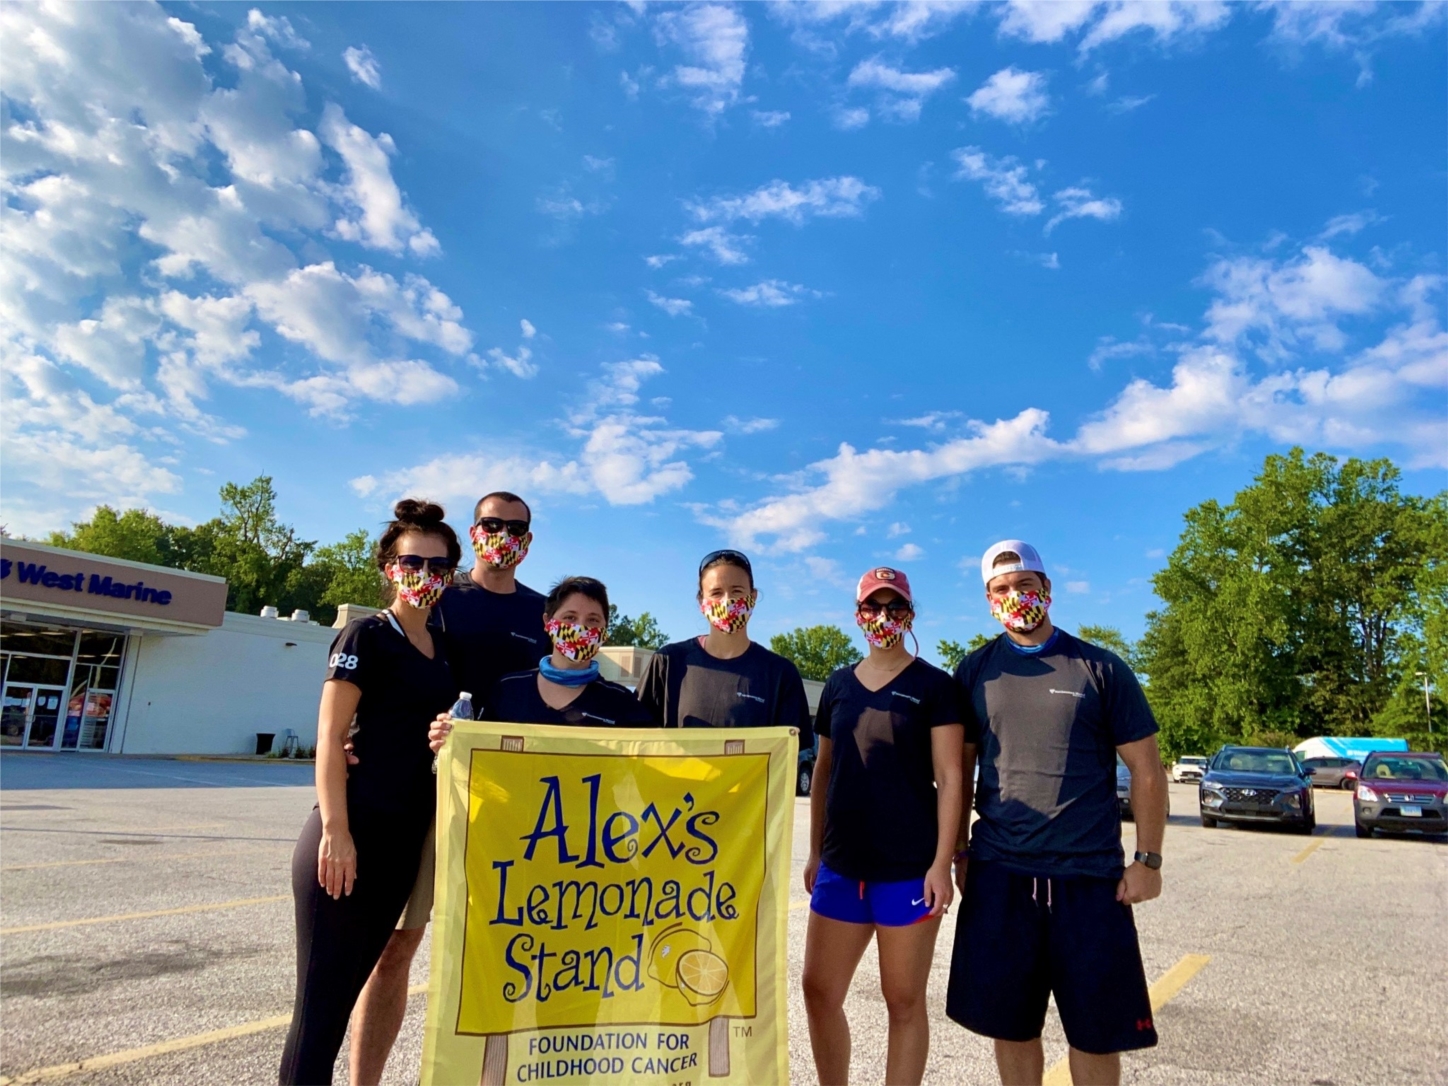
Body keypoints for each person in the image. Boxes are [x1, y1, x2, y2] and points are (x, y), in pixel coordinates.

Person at [945, 540, 1168, 1086]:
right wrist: (957, 851)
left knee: (1095, 1034)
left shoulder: (1101, 668)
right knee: (1012, 1028)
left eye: (1025, 585)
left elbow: (1147, 768)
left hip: (1089, 880)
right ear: (987, 599)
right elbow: (959, 773)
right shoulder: (973, 671)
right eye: (1002, 589)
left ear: (1047, 589)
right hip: (1001, 876)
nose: (1015, 596)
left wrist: (1148, 860)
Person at [348, 490, 546, 1085]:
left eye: (515, 527)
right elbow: (374, 660)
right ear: (473, 528)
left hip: (510, 802)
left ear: (529, 541)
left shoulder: (543, 615)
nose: (502, 534)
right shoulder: (436, 591)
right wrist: (346, 735)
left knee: (506, 952)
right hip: (421, 793)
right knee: (395, 951)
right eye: (492, 523)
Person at [279, 500, 462, 1085]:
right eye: (414, 562)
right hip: (349, 837)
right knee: (320, 1015)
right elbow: (331, 738)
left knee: (349, 992)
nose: (425, 576)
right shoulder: (366, 634)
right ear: (390, 567)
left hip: (401, 842)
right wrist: (336, 831)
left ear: (450, 575)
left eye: (438, 566)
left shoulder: (440, 648)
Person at [802, 568, 965, 1086]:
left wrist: (942, 863)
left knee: (903, 1001)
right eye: (873, 607)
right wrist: (814, 853)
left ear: (910, 615)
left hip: (908, 872)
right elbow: (824, 771)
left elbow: (950, 776)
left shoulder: (935, 686)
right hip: (842, 866)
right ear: (857, 615)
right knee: (819, 991)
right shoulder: (838, 684)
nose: (883, 618)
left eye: (895, 608)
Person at [428, 575, 656, 743]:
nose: (580, 628)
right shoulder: (508, 688)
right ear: (548, 623)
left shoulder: (621, 703)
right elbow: (475, 753)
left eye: (593, 620)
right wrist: (448, 743)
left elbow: (654, 763)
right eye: (569, 617)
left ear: (605, 632)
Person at [636, 549, 811, 738]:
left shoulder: (781, 673)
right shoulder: (668, 662)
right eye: (716, 593)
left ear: (752, 597)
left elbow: (789, 755)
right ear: (701, 602)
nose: (727, 601)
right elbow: (634, 741)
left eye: (736, 591)